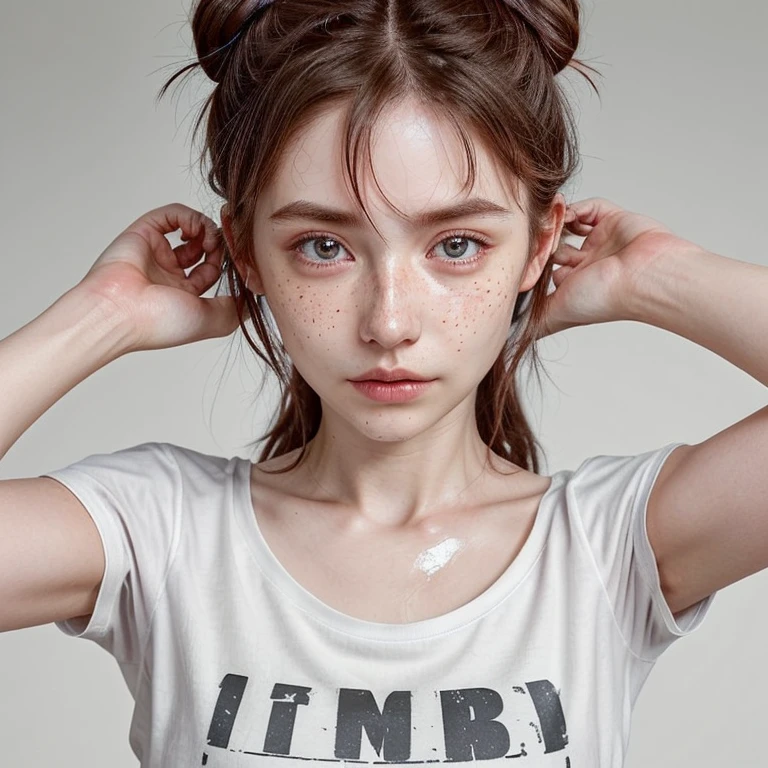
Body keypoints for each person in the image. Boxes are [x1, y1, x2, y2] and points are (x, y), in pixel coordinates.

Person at [3, 0, 766, 765]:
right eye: (324, 246)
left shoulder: (605, 550)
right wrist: (95, 319)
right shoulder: (160, 534)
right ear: (247, 249)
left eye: (457, 244)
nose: (389, 321)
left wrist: (662, 278)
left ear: (537, 245)